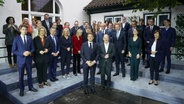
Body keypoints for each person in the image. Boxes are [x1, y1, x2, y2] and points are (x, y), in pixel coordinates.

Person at [12, 25, 38, 96]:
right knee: (21, 76)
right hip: (20, 60)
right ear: (20, 30)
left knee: (30, 75)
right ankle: (21, 89)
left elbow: (33, 48)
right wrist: (22, 53)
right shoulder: (16, 39)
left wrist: (29, 52)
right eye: (23, 29)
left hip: (29, 60)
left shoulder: (30, 38)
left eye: (26, 29)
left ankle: (31, 87)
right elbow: (14, 50)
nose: (24, 31)